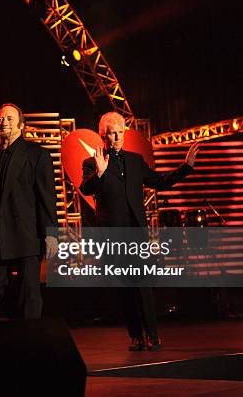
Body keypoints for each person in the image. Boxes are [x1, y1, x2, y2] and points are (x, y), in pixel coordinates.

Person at [80, 111, 199, 351]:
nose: (117, 137)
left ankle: (152, 335)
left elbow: (159, 181)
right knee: (125, 288)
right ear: (104, 136)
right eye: (112, 133)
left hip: (136, 234)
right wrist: (100, 173)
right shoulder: (92, 163)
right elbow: (85, 188)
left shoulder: (135, 161)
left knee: (143, 284)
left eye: (120, 132)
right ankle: (136, 336)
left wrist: (186, 167)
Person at [0, 103, 58, 319]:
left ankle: (30, 336)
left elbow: (46, 197)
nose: (4, 123)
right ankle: (16, 324)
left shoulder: (37, 154)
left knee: (29, 291)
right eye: (0, 119)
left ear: (21, 124)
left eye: (9, 119)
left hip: (26, 235)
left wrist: (51, 233)